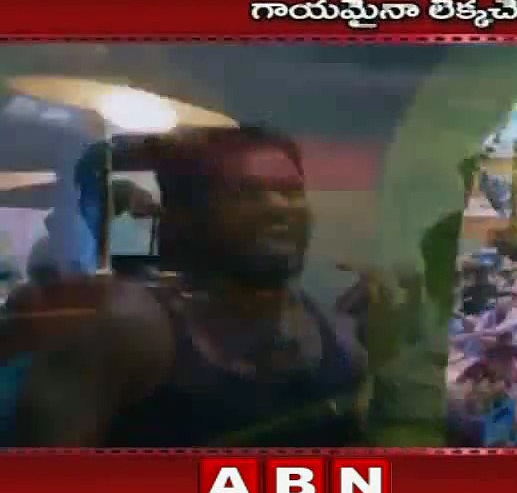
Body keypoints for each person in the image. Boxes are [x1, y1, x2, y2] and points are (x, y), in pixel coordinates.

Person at [14, 125, 374, 447]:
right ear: (185, 216)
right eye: (246, 193)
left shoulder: (341, 338)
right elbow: (41, 489)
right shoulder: (125, 328)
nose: (278, 208)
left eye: (291, 191)